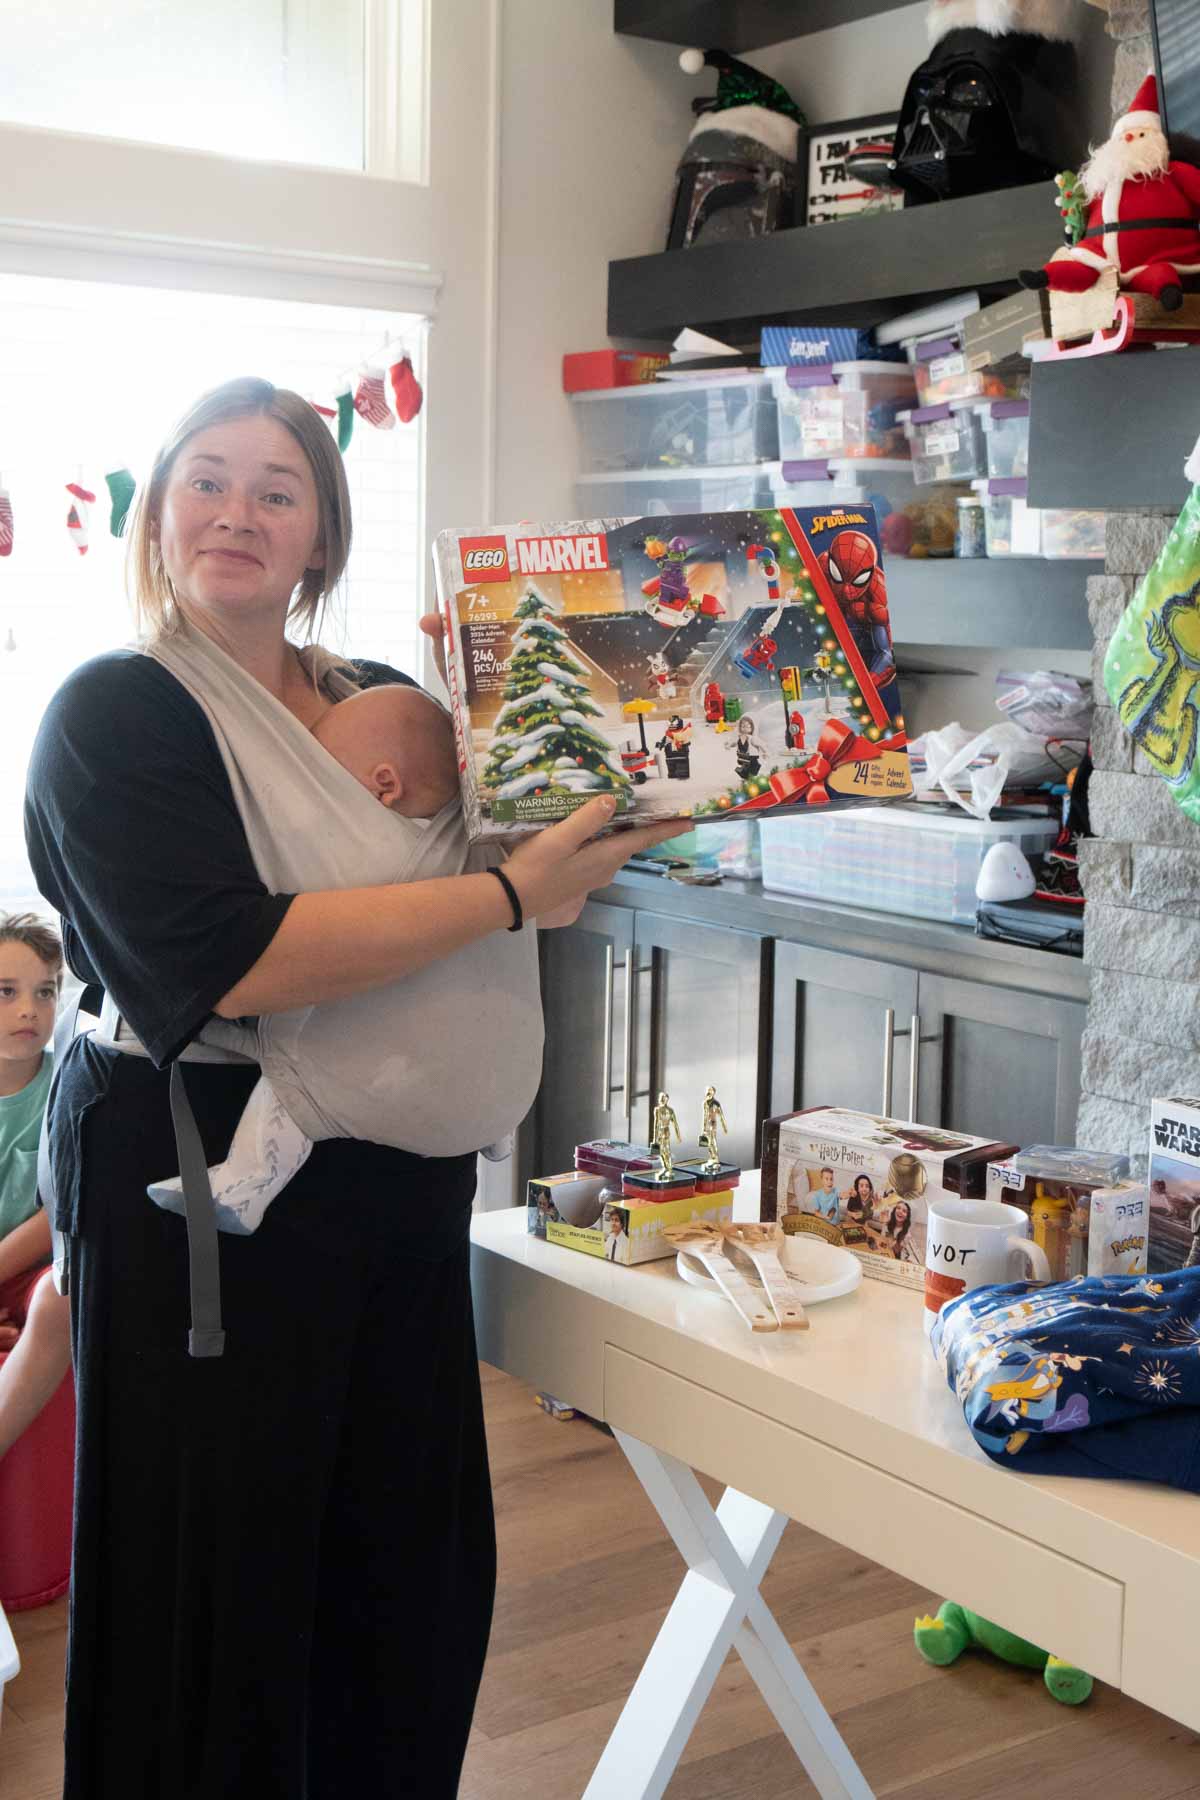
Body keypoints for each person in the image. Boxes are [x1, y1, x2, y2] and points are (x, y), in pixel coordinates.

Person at [23, 376, 680, 1799]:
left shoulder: (383, 699)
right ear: (155, 511)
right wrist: (507, 893)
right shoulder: (112, 716)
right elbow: (234, 958)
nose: (237, 513)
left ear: (323, 533)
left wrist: (531, 749)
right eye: (205, 478)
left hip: (394, 1184)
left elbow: (514, 861)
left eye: (277, 488)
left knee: (400, 1553)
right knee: (219, 1560)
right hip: (197, 1170)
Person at [146, 681, 480, 1232]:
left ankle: (249, 1179)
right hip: (450, 1057)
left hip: (363, 1041)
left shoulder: (363, 860)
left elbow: (261, 949)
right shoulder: (465, 850)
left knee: (294, 1082)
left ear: (383, 787)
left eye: (320, 780)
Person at [0, 914, 74, 1458]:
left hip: (30, 1270)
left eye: (44, 992)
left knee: (65, 1297)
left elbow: (62, 1209)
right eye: (5, 992)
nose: (29, 1009)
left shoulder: (68, 1082)